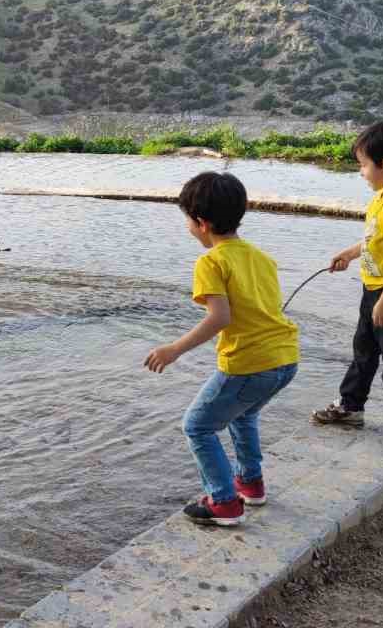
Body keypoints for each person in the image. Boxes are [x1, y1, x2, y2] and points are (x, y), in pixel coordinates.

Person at [146, 172, 300, 527]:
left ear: (202, 223)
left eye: (187, 219)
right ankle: (250, 483)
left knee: (197, 426)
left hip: (250, 363)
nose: (187, 226)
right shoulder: (261, 257)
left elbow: (219, 317)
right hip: (286, 359)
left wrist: (174, 349)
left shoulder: (211, 262)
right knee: (243, 415)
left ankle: (224, 502)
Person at [310, 120, 383, 449]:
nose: (361, 172)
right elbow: (377, 241)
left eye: (363, 165)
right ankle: (350, 407)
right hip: (375, 286)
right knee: (364, 349)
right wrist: (348, 255)